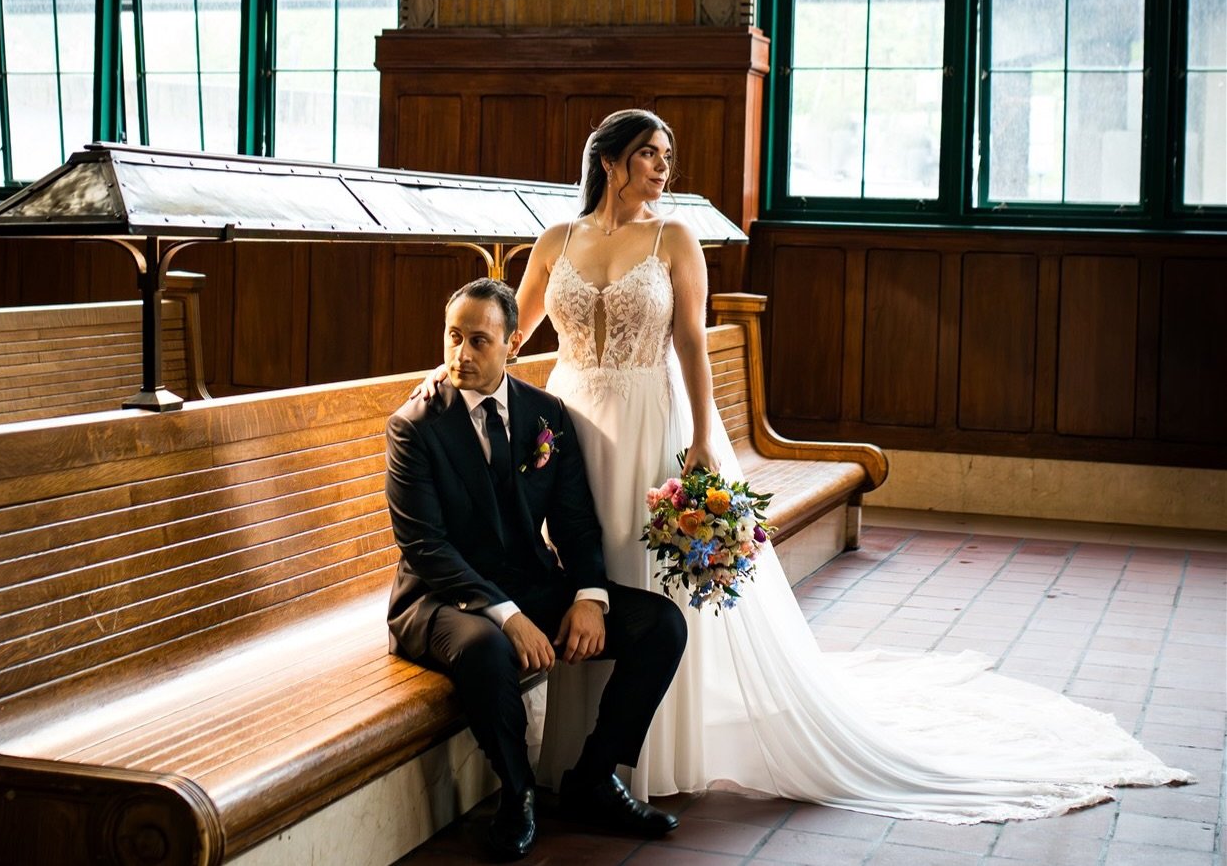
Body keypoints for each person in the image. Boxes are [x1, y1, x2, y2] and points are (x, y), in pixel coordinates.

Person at [418, 109, 1190, 823]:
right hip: (573, 413)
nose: (663, 167)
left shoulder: (674, 240)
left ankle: (643, 753)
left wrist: (698, 440)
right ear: (612, 160)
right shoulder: (557, 239)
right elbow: (508, 332)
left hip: (652, 418)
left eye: (668, 156)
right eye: (650, 153)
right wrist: (443, 373)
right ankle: (581, 752)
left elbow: (689, 342)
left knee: (647, 573)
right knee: (592, 563)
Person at [385, 275, 688, 860]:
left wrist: (589, 596)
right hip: (440, 600)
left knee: (661, 625)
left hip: (531, 584)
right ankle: (516, 792)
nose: (461, 355)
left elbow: (574, 523)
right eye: (453, 338)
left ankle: (593, 779)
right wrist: (506, 616)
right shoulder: (415, 426)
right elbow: (425, 547)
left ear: (512, 343)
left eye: (478, 341)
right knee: (487, 649)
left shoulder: (545, 416)